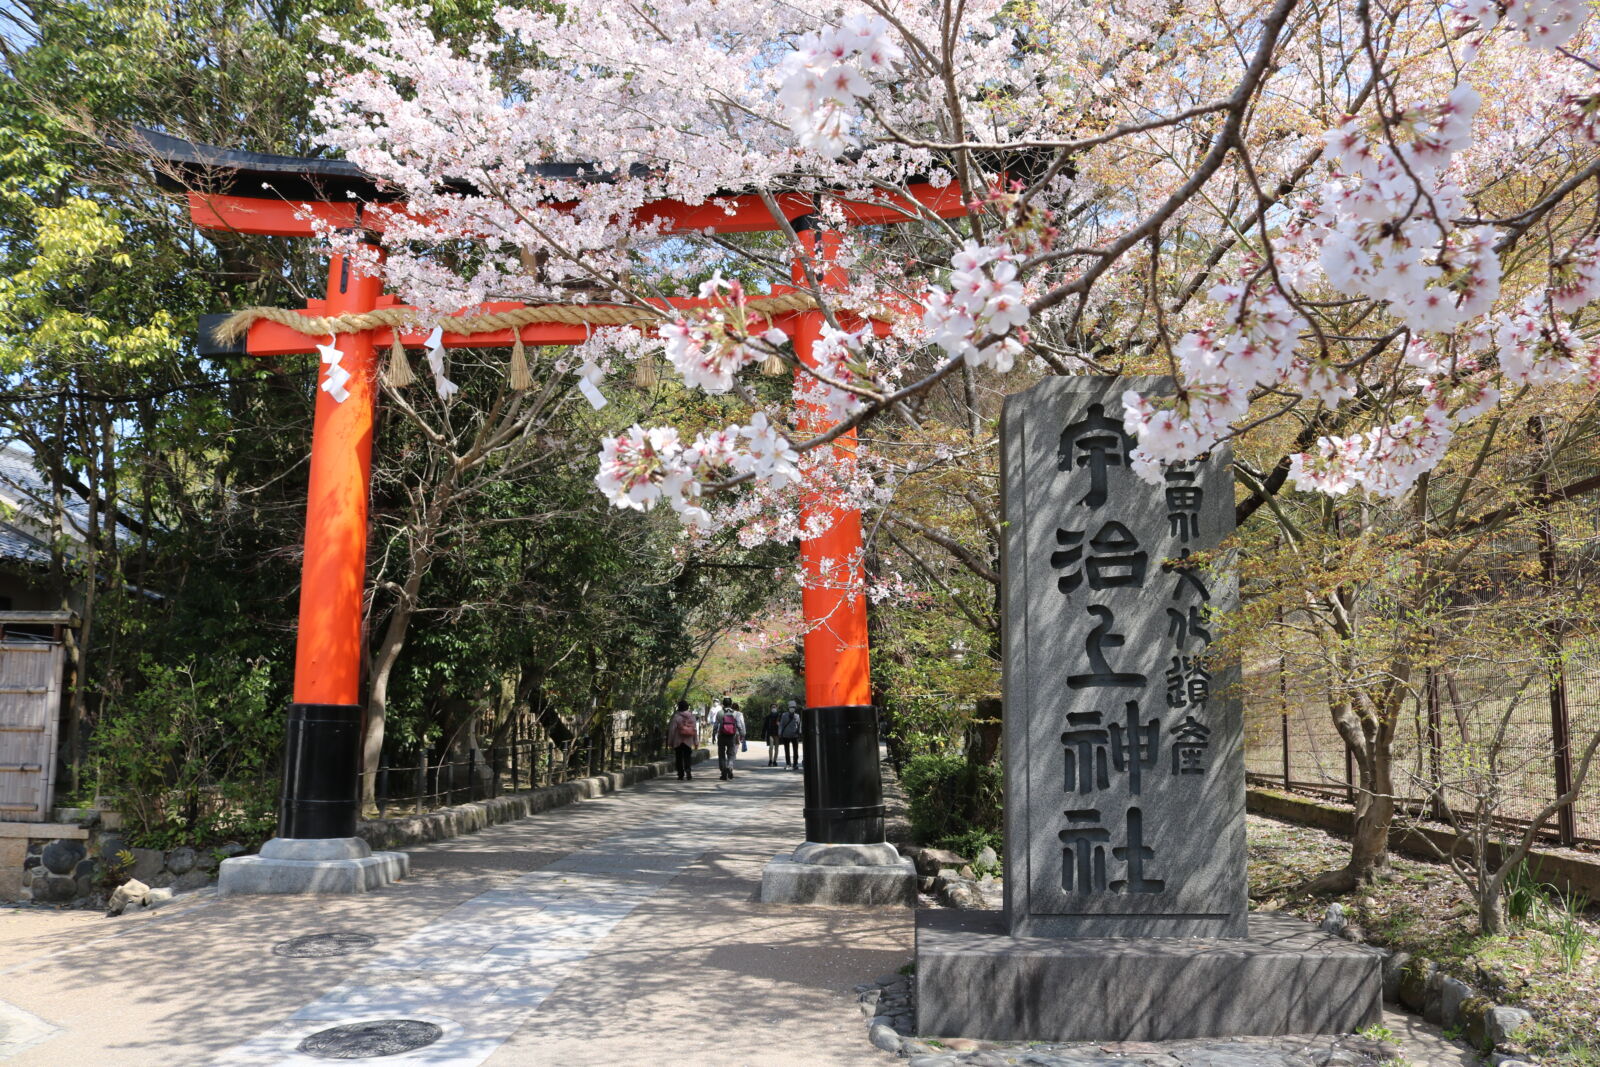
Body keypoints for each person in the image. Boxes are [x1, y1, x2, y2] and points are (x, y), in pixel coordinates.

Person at [714, 700, 745, 779]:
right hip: (731, 736)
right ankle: (729, 767)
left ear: (723, 704)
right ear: (731, 704)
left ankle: (723, 771)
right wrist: (742, 734)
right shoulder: (735, 713)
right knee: (731, 754)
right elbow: (738, 725)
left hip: (721, 736)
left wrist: (713, 735)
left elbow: (716, 725)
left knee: (721, 754)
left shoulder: (720, 713)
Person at [669, 700, 699, 780]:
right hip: (688, 741)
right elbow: (695, 730)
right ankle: (688, 770)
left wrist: (670, 741)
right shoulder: (692, 717)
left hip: (678, 741)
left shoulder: (676, 717)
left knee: (678, 757)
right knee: (687, 757)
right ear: (687, 707)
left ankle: (680, 774)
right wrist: (696, 741)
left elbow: (672, 730)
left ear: (678, 707)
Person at [778, 700, 802, 769]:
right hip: (786, 735)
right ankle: (788, 763)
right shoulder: (784, 715)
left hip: (795, 735)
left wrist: (800, 732)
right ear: (788, 707)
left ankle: (795, 764)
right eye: (791, 707)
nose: (792, 708)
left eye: (793, 707)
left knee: (795, 751)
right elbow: (781, 725)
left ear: (795, 708)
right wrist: (780, 732)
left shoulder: (797, 716)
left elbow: (799, 725)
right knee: (787, 750)